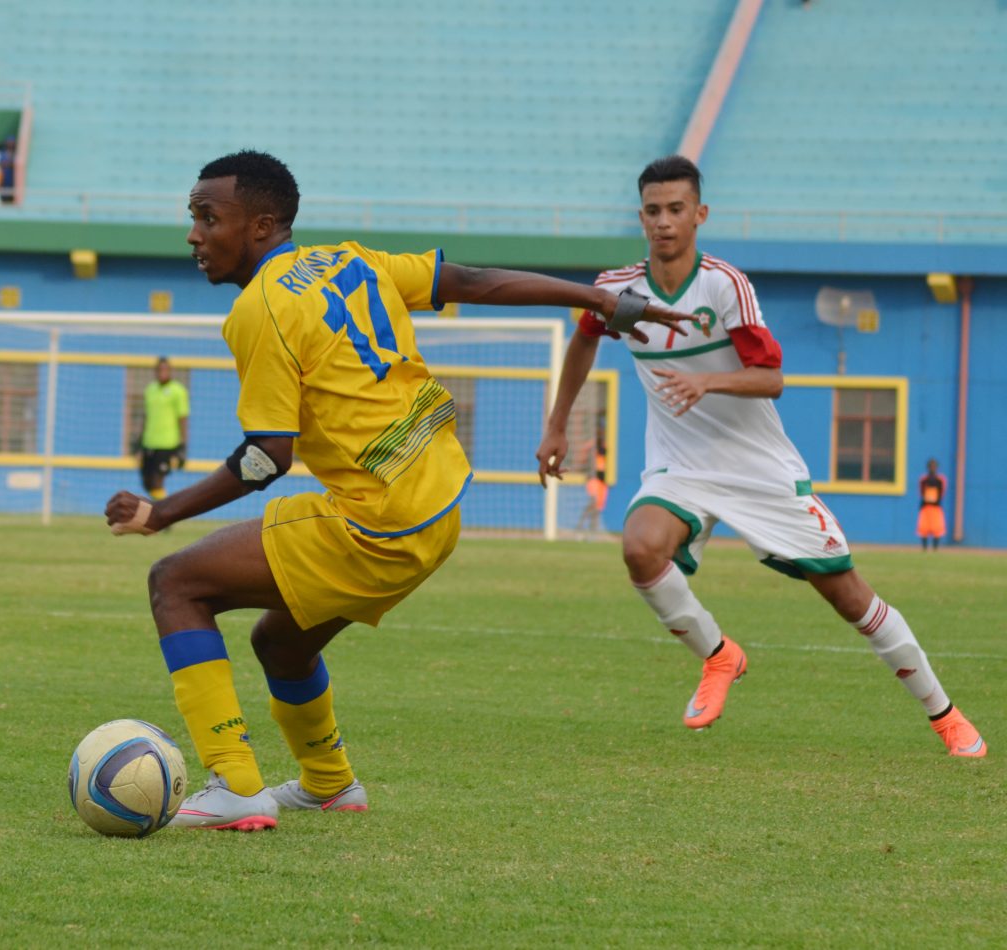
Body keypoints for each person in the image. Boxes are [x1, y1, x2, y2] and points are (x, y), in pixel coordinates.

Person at [104, 149, 695, 831]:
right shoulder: (354, 260)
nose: (194, 235)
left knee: (175, 583)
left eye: (210, 218)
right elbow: (472, 280)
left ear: (263, 225)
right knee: (282, 643)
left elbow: (269, 457)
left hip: (375, 519)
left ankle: (234, 783)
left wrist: (162, 512)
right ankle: (329, 783)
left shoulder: (259, 310)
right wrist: (593, 297)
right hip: (439, 506)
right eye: (193, 218)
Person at [536, 155, 986, 759]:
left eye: (675, 209)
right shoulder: (619, 290)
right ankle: (719, 657)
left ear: (700, 214)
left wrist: (708, 383)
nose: (663, 222)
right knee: (640, 547)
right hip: (680, 466)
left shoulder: (724, 285)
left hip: (756, 466)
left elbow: (771, 377)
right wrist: (557, 424)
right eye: (652, 211)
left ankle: (945, 715)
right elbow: (585, 340)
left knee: (848, 596)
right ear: (640, 217)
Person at [136, 356, 189, 502]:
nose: (162, 372)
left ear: (170, 371)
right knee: (147, 482)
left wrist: (183, 445)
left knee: (158, 480)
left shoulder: (178, 391)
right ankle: (162, 510)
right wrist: (139, 442)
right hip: (149, 442)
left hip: (168, 443)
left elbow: (183, 418)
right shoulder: (150, 390)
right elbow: (146, 417)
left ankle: (164, 515)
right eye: (159, 369)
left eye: (165, 369)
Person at [577, 427, 609, 536]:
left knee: (598, 506)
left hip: (602, 480)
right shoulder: (591, 446)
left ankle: (592, 529)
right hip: (593, 479)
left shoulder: (606, 446)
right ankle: (580, 525)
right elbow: (583, 458)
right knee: (593, 502)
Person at [917, 458, 947, 551]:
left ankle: (935, 548)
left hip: (936, 507)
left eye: (934, 466)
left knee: (937, 528)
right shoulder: (923, 480)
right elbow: (921, 492)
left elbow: (942, 492)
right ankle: (924, 548)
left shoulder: (940, 480)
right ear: (928, 467)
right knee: (923, 528)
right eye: (931, 466)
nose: (932, 468)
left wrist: (936, 500)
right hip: (926, 506)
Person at [0, 136, 16, 204]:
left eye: (12, 143)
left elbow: (16, 165)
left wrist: (8, 164)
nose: (10, 144)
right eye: (9, 142)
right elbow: (0, 163)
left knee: (13, 197)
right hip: (4, 179)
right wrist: (9, 164)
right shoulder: (3, 152)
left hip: (13, 179)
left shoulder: (16, 153)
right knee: (4, 197)